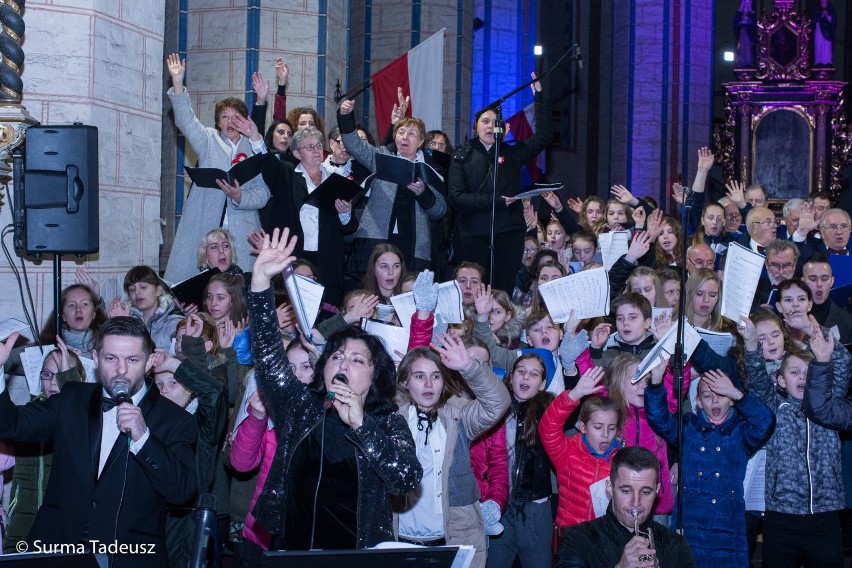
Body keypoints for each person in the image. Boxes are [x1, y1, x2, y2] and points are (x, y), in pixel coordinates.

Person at [244, 228, 422, 550]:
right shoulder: (301, 408)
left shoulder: (385, 420)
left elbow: (406, 478)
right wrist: (260, 283)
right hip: (294, 552)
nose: (342, 364)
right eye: (336, 356)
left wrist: (361, 425)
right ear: (322, 367)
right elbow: (269, 357)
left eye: (357, 359)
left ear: (374, 374)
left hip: (356, 556)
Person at [0, 317, 197, 566]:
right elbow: (12, 424)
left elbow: (182, 492)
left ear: (148, 363)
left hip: (129, 556)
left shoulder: (175, 419)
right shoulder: (71, 398)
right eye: (111, 358)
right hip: (58, 548)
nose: (121, 369)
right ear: (95, 358)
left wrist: (144, 439)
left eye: (132, 360)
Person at [645, 358, 774, 567]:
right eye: (707, 396)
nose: (714, 401)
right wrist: (656, 383)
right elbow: (659, 419)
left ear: (731, 399)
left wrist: (737, 394)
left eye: (722, 395)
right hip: (689, 524)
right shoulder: (688, 427)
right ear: (697, 401)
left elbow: (766, 422)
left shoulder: (741, 432)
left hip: (728, 526)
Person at [742, 315, 847, 567]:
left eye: (809, 372)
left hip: (826, 514)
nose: (802, 377)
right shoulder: (774, 406)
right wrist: (751, 344)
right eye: (795, 372)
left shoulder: (830, 407)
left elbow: (842, 363)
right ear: (780, 379)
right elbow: (756, 377)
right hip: (781, 517)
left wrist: (813, 329)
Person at [164, 53, 270, 283]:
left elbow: (263, 194)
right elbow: (185, 121)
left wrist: (241, 196)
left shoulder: (254, 146)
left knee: (241, 290)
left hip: (243, 232)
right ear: (218, 122)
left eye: (236, 117)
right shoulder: (208, 140)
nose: (230, 122)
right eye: (225, 116)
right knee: (201, 289)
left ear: (245, 121)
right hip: (206, 224)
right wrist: (178, 82)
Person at [448, 74, 552, 292]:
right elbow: (457, 197)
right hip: (472, 234)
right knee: (473, 290)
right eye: (485, 121)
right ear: (476, 127)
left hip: (508, 232)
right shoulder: (462, 154)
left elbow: (543, 137)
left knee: (501, 289)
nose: (490, 126)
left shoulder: (512, 154)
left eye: (496, 123)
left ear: (504, 130)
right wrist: (497, 200)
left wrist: (540, 99)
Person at [338, 99, 447, 276]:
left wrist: (423, 193)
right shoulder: (381, 156)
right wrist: (345, 116)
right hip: (376, 239)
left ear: (420, 142)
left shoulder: (430, 169)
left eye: (411, 133)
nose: (405, 137)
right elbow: (354, 145)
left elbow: (439, 212)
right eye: (401, 132)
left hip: (414, 247)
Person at [2, 340, 86, 554]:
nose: (53, 383)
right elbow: (9, 422)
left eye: (61, 374)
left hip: (67, 530)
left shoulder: (91, 416)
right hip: (23, 525)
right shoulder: (32, 414)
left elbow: (78, 417)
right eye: (47, 375)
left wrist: (72, 384)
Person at [554, 446, 697, 568]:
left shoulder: (676, 545)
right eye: (626, 491)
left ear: (657, 490)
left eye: (646, 492)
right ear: (610, 487)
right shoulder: (579, 539)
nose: (636, 502)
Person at [802, 253, 852, 343]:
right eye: (813, 279)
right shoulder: (791, 319)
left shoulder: (847, 321)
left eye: (824, 278)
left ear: (832, 281)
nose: (819, 284)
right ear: (803, 282)